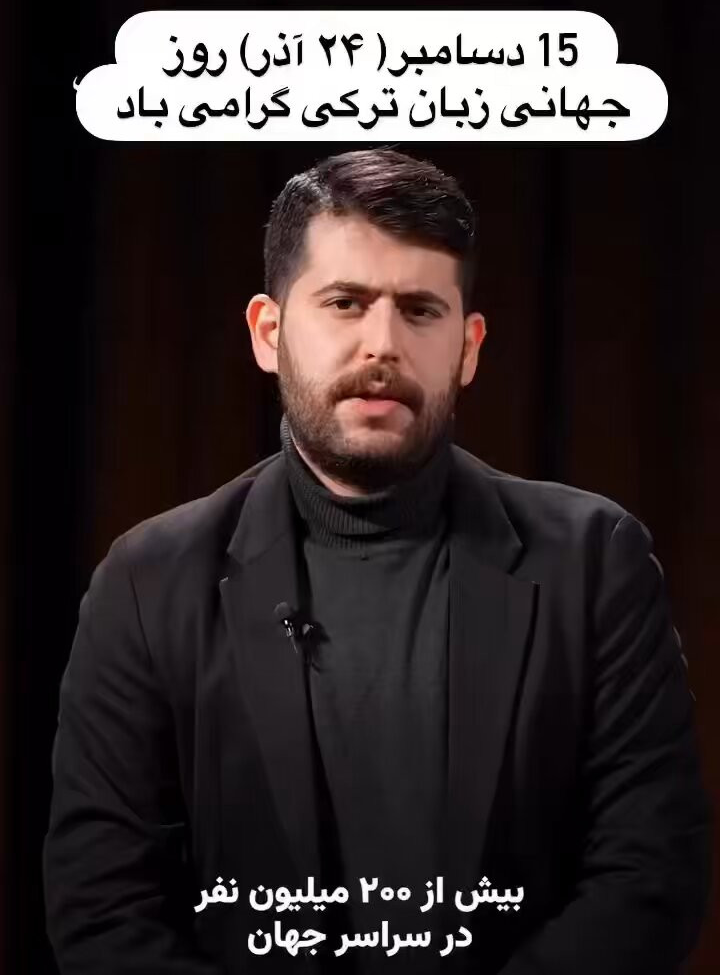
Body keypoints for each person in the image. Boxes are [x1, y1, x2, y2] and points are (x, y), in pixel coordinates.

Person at [44, 148, 711, 975]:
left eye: (420, 310)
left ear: (468, 347)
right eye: (345, 303)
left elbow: (650, 875)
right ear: (268, 332)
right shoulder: (148, 583)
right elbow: (102, 909)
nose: (382, 345)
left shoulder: (596, 562)